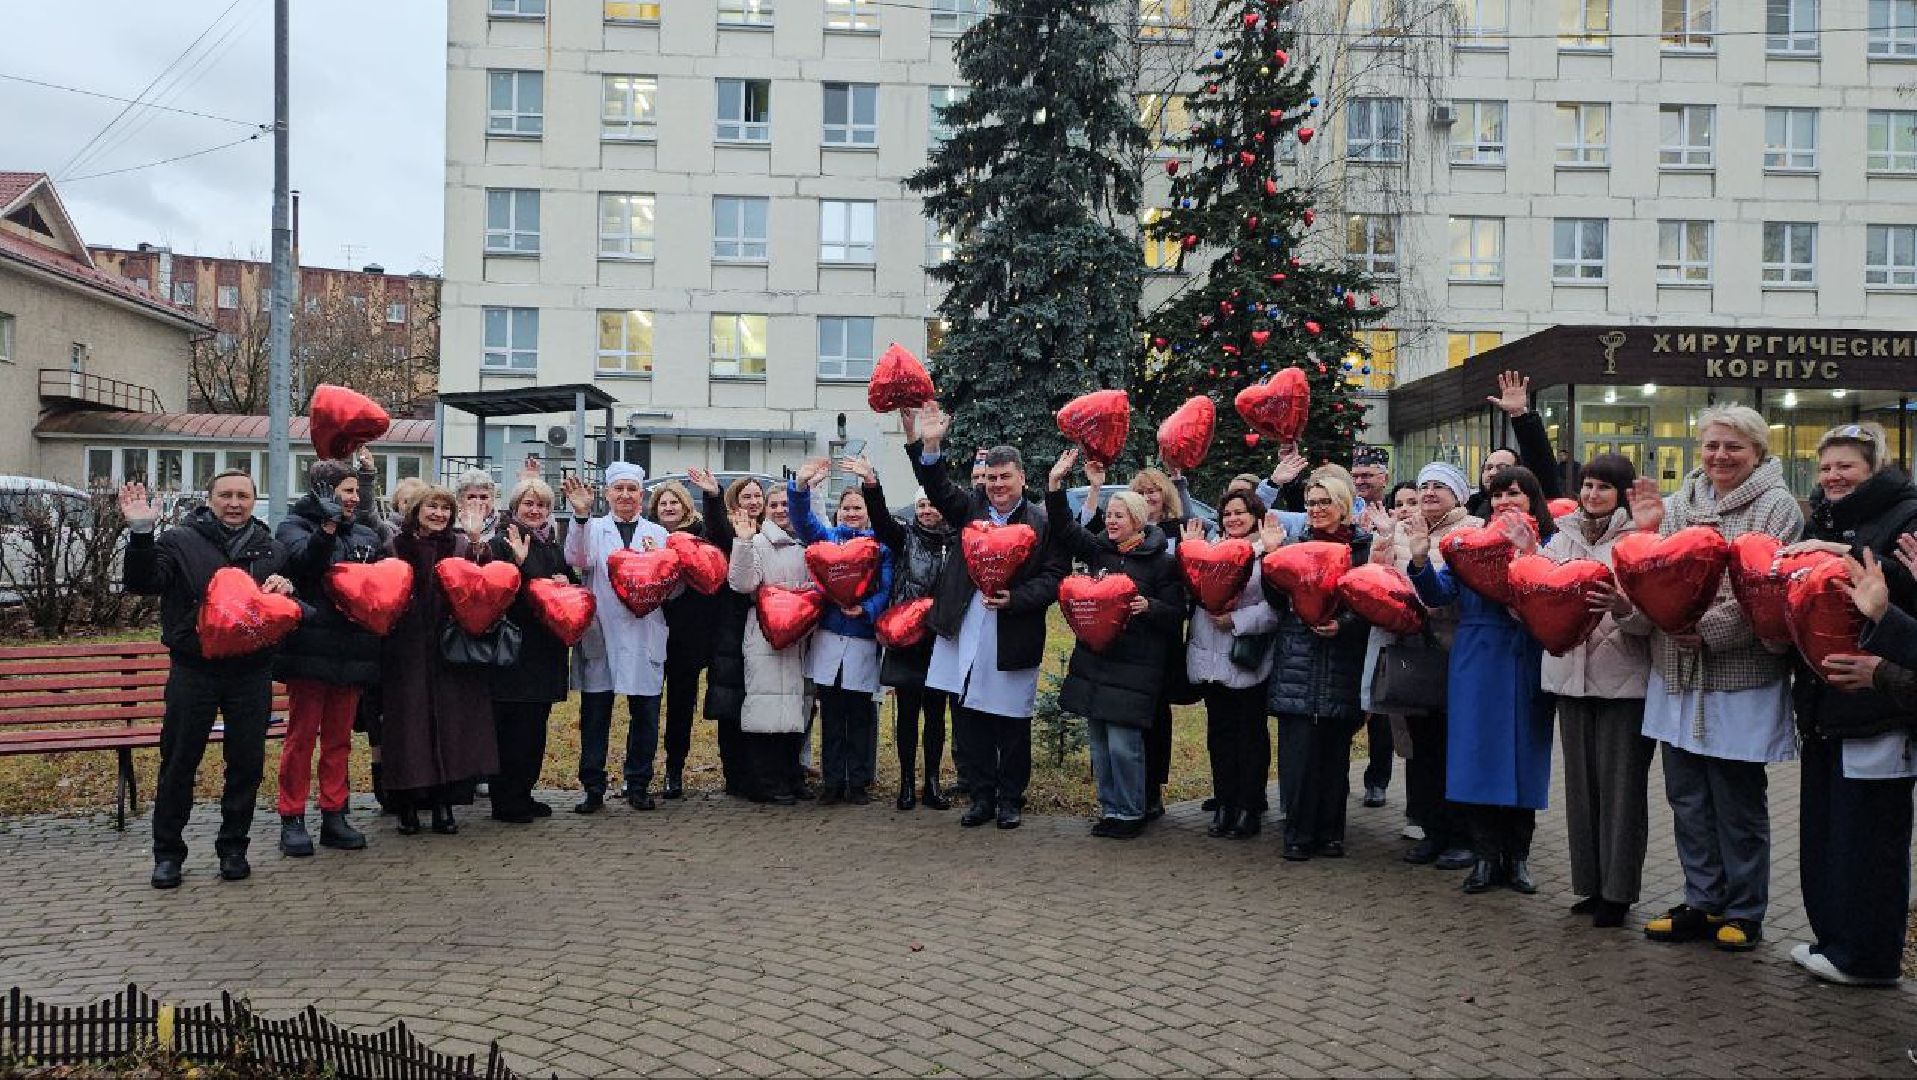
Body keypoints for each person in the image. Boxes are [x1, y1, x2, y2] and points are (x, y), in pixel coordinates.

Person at [1628, 405, 1802, 953]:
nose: (1720, 456)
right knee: (1687, 796)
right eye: (1712, 446)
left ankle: (1745, 908)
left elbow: (1764, 583)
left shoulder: (1778, 507)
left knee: (1736, 798)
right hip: (1677, 670)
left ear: (1757, 452)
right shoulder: (1684, 501)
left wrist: (1703, 628)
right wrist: (1667, 612)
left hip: (1737, 671)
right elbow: (1665, 570)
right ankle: (1702, 899)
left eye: (1734, 447)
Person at [1782, 424, 1917, 985]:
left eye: (1847, 467)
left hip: (1879, 705)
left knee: (1870, 840)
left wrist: (1837, 553)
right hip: (1826, 705)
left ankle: (1868, 955)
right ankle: (1836, 943)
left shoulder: (1904, 516)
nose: (1834, 477)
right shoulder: (1823, 516)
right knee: (1829, 833)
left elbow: (1896, 592)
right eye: (1826, 467)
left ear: (1875, 467)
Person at [121, 473, 293, 888]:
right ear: (210, 499)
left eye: (243, 496)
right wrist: (142, 533)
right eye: (225, 495)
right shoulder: (181, 541)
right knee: (179, 761)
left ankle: (234, 848)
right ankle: (168, 855)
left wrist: (285, 589)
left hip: (250, 672)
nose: (234, 503)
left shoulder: (271, 549)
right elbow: (143, 583)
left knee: (247, 764)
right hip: (194, 669)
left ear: (255, 500)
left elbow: (284, 607)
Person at [905, 403, 1067, 830]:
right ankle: (980, 796)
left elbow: (1054, 577)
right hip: (966, 628)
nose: (997, 485)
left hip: (1013, 631)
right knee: (969, 716)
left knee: (1011, 719)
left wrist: (1015, 597)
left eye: (1005, 478)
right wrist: (932, 443)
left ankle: (1011, 799)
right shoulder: (969, 508)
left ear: (1021, 479)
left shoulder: (1041, 521)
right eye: (991, 478)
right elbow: (936, 487)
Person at [1407, 466, 1558, 894]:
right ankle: (1486, 857)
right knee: (1475, 757)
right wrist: (1420, 559)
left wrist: (1530, 558)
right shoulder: (1470, 544)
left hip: (1524, 656)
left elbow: (1558, 595)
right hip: (1475, 659)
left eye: (1515, 493)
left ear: (1533, 499)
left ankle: (1519, 858)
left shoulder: (1550, 543)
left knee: (1523, 758)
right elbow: (1439, 595)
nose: (1504, 501)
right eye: (1497, 494)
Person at [1045, 449, 1185, 838]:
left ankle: (1131, 811)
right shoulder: (1099, 551)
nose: (1110, 520)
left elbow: (1177, 613)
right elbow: (1064, 528)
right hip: (1095, 663)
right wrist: (1055, 484)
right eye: (1108, 515)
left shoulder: (1162, 561)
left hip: (1136, 668)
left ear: (1137, 521)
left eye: (1118, 515)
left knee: (1125, 745)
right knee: (1100, 744)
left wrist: (1149, 605)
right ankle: (1109, 809)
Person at [1539, 454, 1654, 927]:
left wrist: (1624, 607)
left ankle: (1618, 891)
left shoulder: (1641, 541)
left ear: (1623, 493)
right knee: (1580, 791)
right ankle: (1588, 884)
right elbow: (1534, 594)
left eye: (1603, 487)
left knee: (1622, 791)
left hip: (1623, 683)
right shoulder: (1560, 535)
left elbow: (1655, 618)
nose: (1591, 495)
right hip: (1571, 680)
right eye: (1587, 485)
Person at [1370, 462, 1481, 871]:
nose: (1430, 492)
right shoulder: (1402, 526)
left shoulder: (1471, 529)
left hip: (1453, 652)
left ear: (1459, 495)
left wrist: (1412, 557)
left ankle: (1461, 834)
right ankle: (1429, 827)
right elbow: (1381, 576)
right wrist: (1384, 544)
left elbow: (1449, 590)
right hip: (1411, 652)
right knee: (1420, 747)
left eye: (1440, 486)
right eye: (1424, 485)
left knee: (1454, 745)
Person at [272, 458, 385, 858]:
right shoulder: (293, 527)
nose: (355, 498)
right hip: (309, 650)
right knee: (301, 738)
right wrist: (327, 527)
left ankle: (335, 813)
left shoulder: (366, 533)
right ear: (325, 491)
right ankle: (292, 816)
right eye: (348, 490)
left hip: (352, 651)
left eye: (356, 491)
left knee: (339, 740)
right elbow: (305, 565)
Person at [1262, 475, 1374, 860]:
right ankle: (1297, 831)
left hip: (1341, 660)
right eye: (1311, 502)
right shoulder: (1295, 546)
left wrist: (1342, 625)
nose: (1316, 509)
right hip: (1299, 658)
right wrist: (1270, 559)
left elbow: (1371, 603)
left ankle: (1330, 832)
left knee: (1334, 753)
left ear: (1343, 504)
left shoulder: (1362, 548)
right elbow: (1276, 601)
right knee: (1297, 755)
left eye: (1325, 501)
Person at [381, 486, 499, 836]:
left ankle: (443, 803)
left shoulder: (461, 546)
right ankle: (406, 804)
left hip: (449, 649)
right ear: (416, 510)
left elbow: (484, 583)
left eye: (445, 509)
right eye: (432, 507)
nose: (439, 514)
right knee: (408, 727)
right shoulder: (393, 547)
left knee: (448, 726)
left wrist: (479, 544)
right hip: (406, 650)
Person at [564, 464, 672, 813]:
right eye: (618, 489)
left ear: (642, 495)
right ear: (608, 494)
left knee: (645, 713)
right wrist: (580, 517)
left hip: (645, 631)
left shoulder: (658, 533)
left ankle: (638, 783)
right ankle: (593, 786)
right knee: (596, 714)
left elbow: (672, 582)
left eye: (632, 489)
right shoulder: (592, 528)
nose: (625, 495)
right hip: (603, 630)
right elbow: (577, 559)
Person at [787, 459, 894, 804]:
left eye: (857, 508)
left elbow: (887, 586)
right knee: (831, 714)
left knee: (860, 714)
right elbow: (802, 522)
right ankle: (833, 781)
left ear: (867, 511)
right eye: (846, 507)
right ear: (838, 511)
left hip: (862, 638)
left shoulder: (881, 545)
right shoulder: (827, 538)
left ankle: (859, 782)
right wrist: (799, 489)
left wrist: (867, 609)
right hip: (830, 638)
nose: (851, 513)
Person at [1184, 491, 1280, 838]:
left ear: (1255, 515)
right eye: (1227, 513)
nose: (1233, 519)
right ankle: (1224, 804)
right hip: (1209, 657)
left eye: (1240, 512)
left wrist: (1237, 620)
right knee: (1219, 736)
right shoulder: (1210, 549)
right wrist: (1190, 557)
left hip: (1245, 659)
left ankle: (1249, 807)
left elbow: (1277, 607)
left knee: (1250, 737)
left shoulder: (1267, 552)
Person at [860, 473, 957, 811]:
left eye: (932, 504)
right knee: (907, 714)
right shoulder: (905, 537)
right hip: (907, 638)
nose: (927, 510)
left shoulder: (957, 539)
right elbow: (882, 520)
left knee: (935, 714)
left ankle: (932, 782)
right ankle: (905, 783)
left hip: (941, 639)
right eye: (921, 504)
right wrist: (872, 486)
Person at [488, 478, 576, 823]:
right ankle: (506, 799)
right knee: (512, 730)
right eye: (528, 504)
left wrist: (567, 583)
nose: (535, 510)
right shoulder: (504, 541)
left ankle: (524, 792)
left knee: (534, 728)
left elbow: (567, 576)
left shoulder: (550, 543)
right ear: (515, 507)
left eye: (541, 505)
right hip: (514, 653)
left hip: (544, 651)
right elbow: (501, 591)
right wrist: (521, 566)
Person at [726, 481, 815, 803]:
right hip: (766, 633)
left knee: (798, 707)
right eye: (774, 504)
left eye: (786, 504)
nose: (780, 510)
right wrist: (743, 543)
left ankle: (793, 775)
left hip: (802, 633)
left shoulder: (809, 541)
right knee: (766, 705)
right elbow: (741, 582)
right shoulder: (757, 542)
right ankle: (767, 780)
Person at [692, 470, 763, 795]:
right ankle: (735, 775)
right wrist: (712, 496)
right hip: (730, 628)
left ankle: (757, 771)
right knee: (730, 704)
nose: (753, 501)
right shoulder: (728, 530)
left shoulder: (771, 532)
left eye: (757, 496)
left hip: (765, 626)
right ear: (735, 501)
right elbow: (720, 530)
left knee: (756, 703)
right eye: (746, 496)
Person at [649, 479, 715, 799]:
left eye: (675, 501)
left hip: (686, 637)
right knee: (645, 706)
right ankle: (641, 771)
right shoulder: (646, 535)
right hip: (649, 631)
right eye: (663, 502)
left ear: (686, 505)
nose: (669, 507)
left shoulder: (699, 535)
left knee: (680, 705)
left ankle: (674, 769)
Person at [1349, 448, 1395, 810]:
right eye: (1357, 474)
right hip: (1350, 626)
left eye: (1369, 474)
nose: (1361, 481)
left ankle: (1377, 779)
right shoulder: (1344, 511)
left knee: (1381, 711)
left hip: (1383, 624)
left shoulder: (1398, 509)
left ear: (1385, 477)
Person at [1466, 371, 1562, 519]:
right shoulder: (1470, 509)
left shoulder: (1533, 506)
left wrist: (1520, 416)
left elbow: (1540, 462)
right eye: (1488, 468)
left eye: (1502, 468)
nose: (1492, 473)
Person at [454, 468, 501, 544]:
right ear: (459, 500)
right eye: (471, 497)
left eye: (483, 497)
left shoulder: (504, 525)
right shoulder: (451, 524)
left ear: (492, 499)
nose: (478, 502)